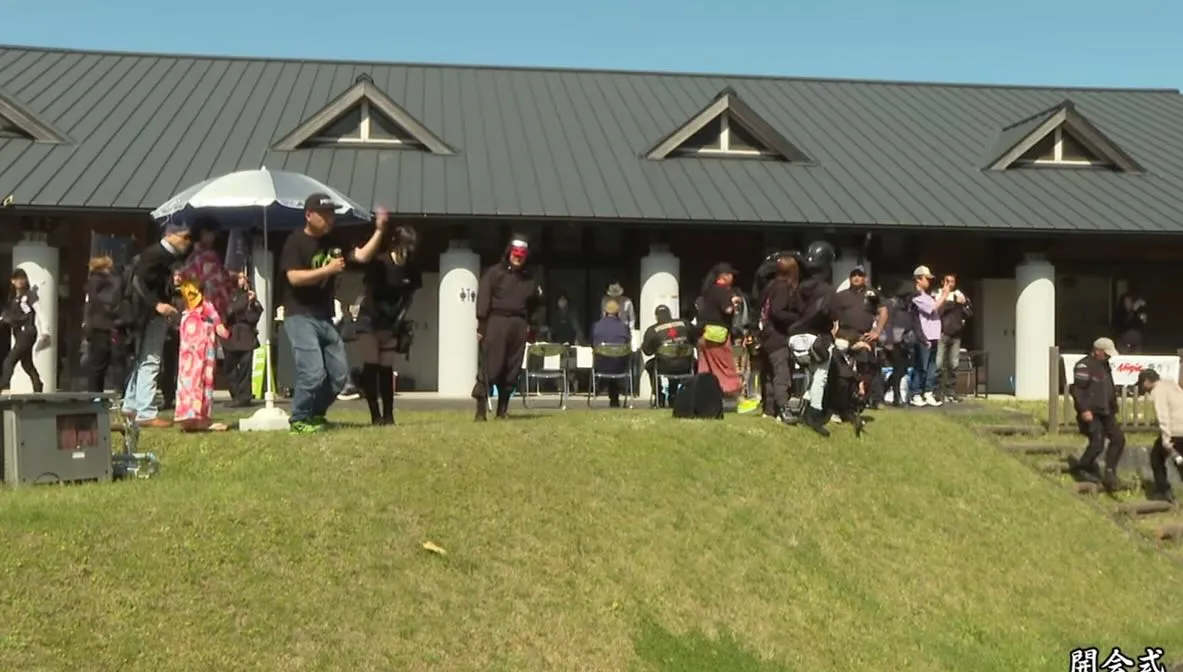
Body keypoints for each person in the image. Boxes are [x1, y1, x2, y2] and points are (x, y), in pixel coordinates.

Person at [278, 194, 386, 434]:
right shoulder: (295, 241)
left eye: (332, 214)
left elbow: (361, 256)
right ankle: (299, 419)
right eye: (324, 214)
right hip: (299, 315)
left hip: (325, 317)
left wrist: (379, 231)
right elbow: (294, 277)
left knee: (338, 376)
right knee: (313, 373)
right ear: (309, 215)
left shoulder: (334, 241)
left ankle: (315, 415)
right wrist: (327, 270)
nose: (330, 218)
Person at [120, 221, 192, 428]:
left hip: (146, 312)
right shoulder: (157, 254)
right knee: (151, 360)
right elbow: (138, 281)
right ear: (170, 235)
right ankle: (146, 411)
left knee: (142, 359)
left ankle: (131, 405)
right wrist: (158, 304)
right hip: (148, 314)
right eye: (184, 237)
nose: (188, 242)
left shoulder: (163, 256)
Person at [356, 225, 421, 426]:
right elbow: (370, 293)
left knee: (386, 369)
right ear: (396, 244)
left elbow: (410, 295)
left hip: (392, 322)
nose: (407, 252)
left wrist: (399, 320)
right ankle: (375, 415)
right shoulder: (380, 263)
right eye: (405, 247)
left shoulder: (411, 268)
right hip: (370, 320)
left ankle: (389, 416)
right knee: (372, 366)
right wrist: (380, 318)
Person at [473, 234, 542, 421]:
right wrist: (482, 326)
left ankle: (502, 410)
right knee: (491, 366)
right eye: (515, 255)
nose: (517, 259)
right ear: (509, 253)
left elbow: (535, 303)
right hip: (497, 322)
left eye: (521, 256)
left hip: (519, 324)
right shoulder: (494, 274)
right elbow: (484, 298)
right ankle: (480, 411)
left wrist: (531, 325)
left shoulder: (529, 279)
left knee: (512, 368)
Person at [787, 241, 838, 437]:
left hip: (795, 338)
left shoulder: (799, 286)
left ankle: (804, 409)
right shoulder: (826, 289)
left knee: (810, 374)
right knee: (820, 376)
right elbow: (831, 313)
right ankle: (814, 415)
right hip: (817, 338)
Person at [1067, 337, 1129, 492]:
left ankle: (1110, 471)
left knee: (1119, 440)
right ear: (1097, 351)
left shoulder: (1105, 366)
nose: (1109, 357)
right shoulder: (1084, 366)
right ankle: (1083, 467)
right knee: (1097, 442)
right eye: (1106, 353)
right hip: (1091, 412)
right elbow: (1078, 390)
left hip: (1106, 411)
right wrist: (1084, 410)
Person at [174, 276, 230, 431]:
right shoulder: (196, 266)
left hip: (201, 324)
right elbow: (194, 297)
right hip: (197, 325)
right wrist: (217, 320)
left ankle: (197, 416)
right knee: (196, 370)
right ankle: (194, 416)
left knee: (201, 370)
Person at [831, 266, 887, 412]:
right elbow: (832, 315)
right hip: (844, 334)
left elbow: (883, 311)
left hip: (864, 335)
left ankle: (870, 398)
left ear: (865, 278)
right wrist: (833, 331)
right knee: (842, 367)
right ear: (850, 278)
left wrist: (877, 331)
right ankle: (845, 399)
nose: (856, 278)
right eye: (853, 275)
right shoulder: (841, 295)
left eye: (859, 275)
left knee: (868, 367)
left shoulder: (871, 295)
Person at [755, 252, 800, 424]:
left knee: (768, 374)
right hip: (777, 336)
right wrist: (798, 318)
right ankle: (783, 409)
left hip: (766, 336)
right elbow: (777, 311)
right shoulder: (782, 288)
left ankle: (769, 410)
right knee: (782, 374)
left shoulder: (769, 286)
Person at [695, 263, 745, 400]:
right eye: (731, 274)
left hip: (703, 334)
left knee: (706, 367)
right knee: (725, 366)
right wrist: (735, 302)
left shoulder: (708, 290)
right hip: (718, 334)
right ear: (724, 276)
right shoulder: (724, 291)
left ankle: (703, 397)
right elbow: (727, 309)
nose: (733, 277)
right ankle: (736, 396)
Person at [1138, 369, 1183, 503]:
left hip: (1175, 430)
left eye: (1142, 384)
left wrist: (1166, 438)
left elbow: (1162, 415)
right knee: (1180, 462)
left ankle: (1163, 491)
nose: (1142, 387)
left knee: (1156, 458)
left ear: (1147, 381)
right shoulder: (1172, 386)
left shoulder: (1158, 391)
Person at [82, 255, 124, 393]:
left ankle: (94, 394)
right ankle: (116, 392)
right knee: (112, 361)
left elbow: (90, 305)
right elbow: (110, 303)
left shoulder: (92, 282)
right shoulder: (108, 282)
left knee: (96, 363)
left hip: (94, 325)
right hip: (106, 325)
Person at [220, 271, 262, 408]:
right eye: (240, 278)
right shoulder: (227, 296)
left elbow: (255, 316)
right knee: (230, 368)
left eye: (244, 278)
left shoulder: (249, 296)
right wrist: (244, 303)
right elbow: (228, 312)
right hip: (231, 335)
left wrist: (253, 302)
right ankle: (236, 394)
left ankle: (245, 397)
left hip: (246, 335)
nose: (243, 281)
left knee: (246, 367)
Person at [0, 269, 46, 392]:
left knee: (9, 361)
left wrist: (45, 331)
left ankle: (3, 386)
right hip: (19, 334)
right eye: (17, 279)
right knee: (27, 363)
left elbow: (39, 312)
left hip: (27, 332)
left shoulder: (29, 296)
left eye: (23, 278)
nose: (20, 281)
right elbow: (10, 316)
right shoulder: (14, 299)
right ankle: (38, 386)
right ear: (13, 281)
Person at [640, 305, 695, 407]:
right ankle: (675, 395)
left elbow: (647, 351)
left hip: (664, 366)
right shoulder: (685, 324)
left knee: (650, 365)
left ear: (656, 317)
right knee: (689, 363)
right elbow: (695, 340)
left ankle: (659, 396)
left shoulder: (652, 330)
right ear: (670, 314)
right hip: (686, 365)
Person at [909, 265, 948, 408]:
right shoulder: (916, 296)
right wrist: (945, 294)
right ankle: (916, 393)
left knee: (932, 366)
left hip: (933, 335)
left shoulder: (927, 295)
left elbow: (936, 308)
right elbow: (931, 308)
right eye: (927, 278)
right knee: (921, 366)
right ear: (918, 279)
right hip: (923, 336)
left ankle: (928, 392)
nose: (929, 281)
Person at [935, 274, 971, 403]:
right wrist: (947, 298)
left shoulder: (959, 294)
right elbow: (936, 311)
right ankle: (937, 391)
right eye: (947, 281)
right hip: (942, 333)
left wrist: (963, 303)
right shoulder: (938, 294)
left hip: (956, 334)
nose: (950, 284)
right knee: (938, 364)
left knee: (954, 364)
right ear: (942, 282)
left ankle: (951, 391)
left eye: (952, 281)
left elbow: (969, 312)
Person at [590, 299, 632, 407]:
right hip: (620, 366)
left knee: (606, 360)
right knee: (616, 360)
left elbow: (592, 344)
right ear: (619, 314)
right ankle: (614, 397)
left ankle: (600, 386)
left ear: (604, 313)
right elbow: (628, 344)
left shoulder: (597, 326)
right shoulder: (624, 327)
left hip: (601, 365)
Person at [882, 281, 917, 406]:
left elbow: (913, 322)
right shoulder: (892, 304)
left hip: (905, 342)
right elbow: (887, 323)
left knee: (902, 370)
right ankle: (896, 397)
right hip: (893, 342)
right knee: (898, 369)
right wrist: (890, 342)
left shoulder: (910, 306)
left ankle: (884, 389)